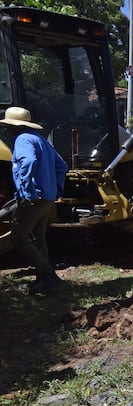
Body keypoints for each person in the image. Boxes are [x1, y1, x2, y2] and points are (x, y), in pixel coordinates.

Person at [0, 107, 68, 294]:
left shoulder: (22, 139)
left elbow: (28, 162)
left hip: (34, 199)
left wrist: (26, 189)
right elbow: (62, 166)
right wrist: (56, 189)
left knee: (18, 237)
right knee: (38, 236)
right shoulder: (41, 140)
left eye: (7, 126)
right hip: (47, 199)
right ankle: (43, 279)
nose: (6, 130)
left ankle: (49, 275)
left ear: (14, 127)